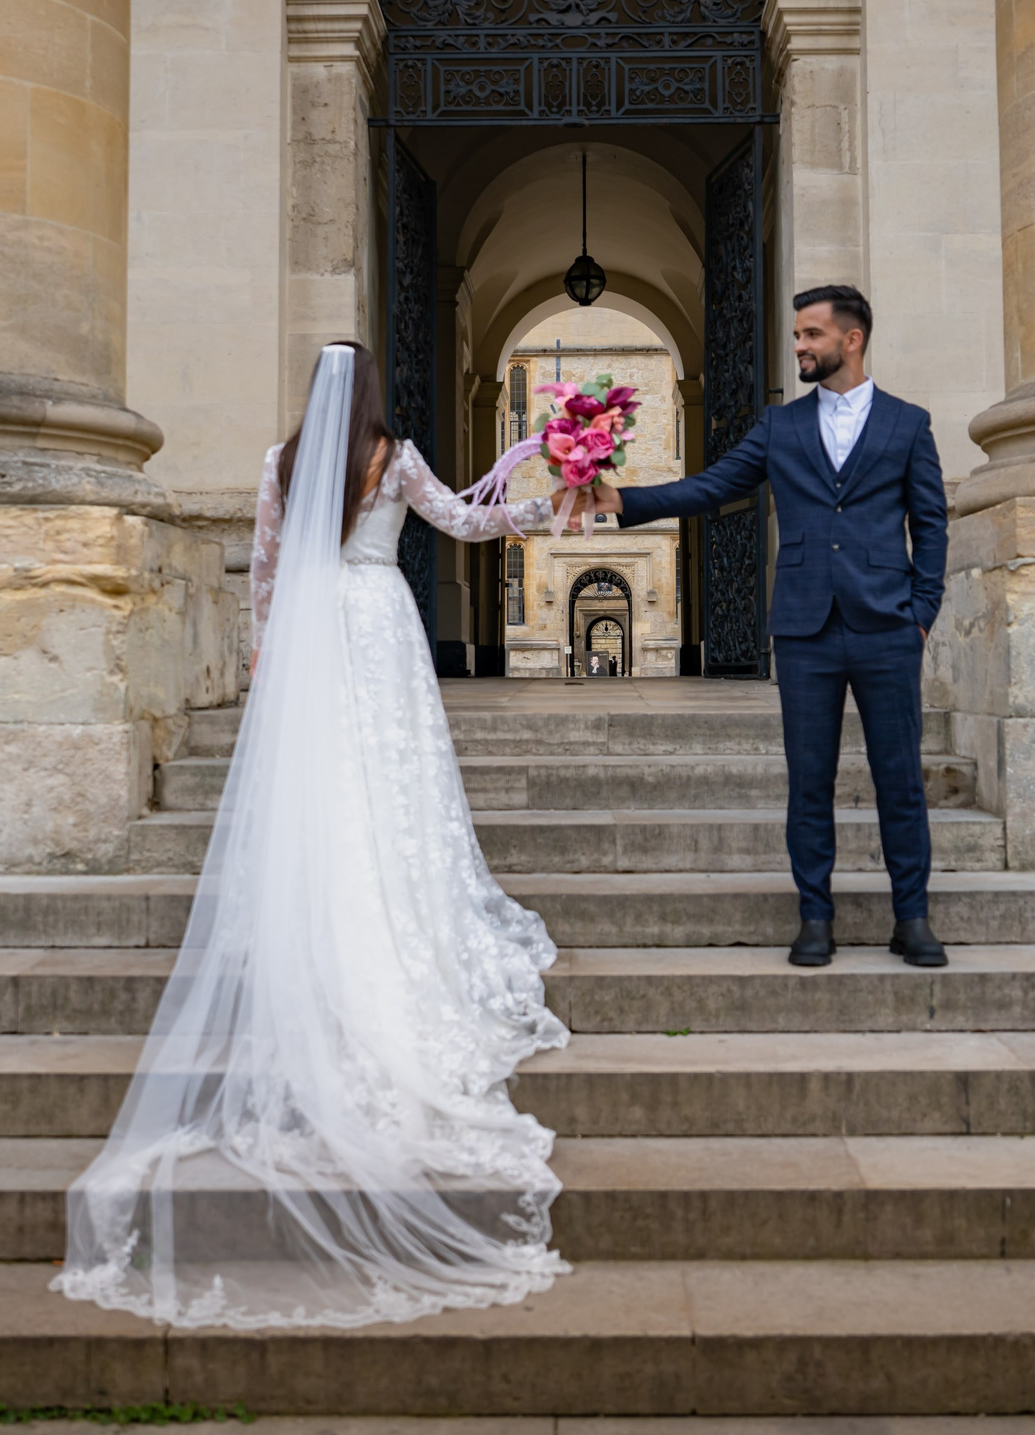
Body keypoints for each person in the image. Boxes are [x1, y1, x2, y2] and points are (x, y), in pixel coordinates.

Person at [54, 341, 571, 1330]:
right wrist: (545, 510)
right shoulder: (396, 457)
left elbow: (268, 564)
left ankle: (321, 914)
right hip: (377, 620)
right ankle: (393, 909)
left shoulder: (279, 463)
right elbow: (464, 520)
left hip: (312, 627)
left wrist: (266, 652)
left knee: (324, 776)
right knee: (392, 772)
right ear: (373, 390)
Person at [567, 286, 949, 968]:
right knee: (809, 781)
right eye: (797, 334)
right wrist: (622, 499)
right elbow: (713, 486)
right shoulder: (780, 427)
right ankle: (815, 917)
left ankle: (912, 917)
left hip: (887, 626)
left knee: (900, 779)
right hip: (804, 629)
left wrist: (921, 615)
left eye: (810, 334)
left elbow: (931, 524)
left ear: (852, 339)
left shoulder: (908, 423)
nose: (798, 345)